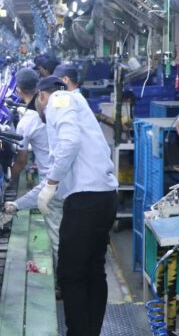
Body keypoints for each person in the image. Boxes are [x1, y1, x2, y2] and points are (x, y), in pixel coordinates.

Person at [34, 76, 119, 336]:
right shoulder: (78, 103)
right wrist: (18, 204)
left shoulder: (58, 99)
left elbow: (69, 144)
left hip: (86, 201)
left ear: (41, 96)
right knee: (93, 271)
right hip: (105, 197)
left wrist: (50, 183)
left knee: (70, 274)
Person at [0, 68, 63, 272]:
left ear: (18, 90)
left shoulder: (26, 122)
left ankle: (64, 282)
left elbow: (21, 161)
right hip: (67, 178)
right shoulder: (52, 109)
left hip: (53, 184)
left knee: (57, 237)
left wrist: (7, 180)